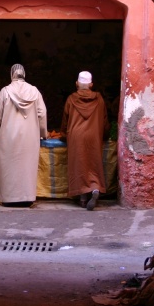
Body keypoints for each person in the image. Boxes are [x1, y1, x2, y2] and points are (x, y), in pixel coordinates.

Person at [0, 64, 48, 207]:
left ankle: (8, 198)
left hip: (8, 137)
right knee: (27, 168)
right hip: (30, 138)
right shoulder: (35, 92)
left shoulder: (5, 92)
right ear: (24, 74)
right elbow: (42, 114)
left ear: (12, 75)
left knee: (8, 167)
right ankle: (27, 197)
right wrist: (43, 133)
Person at [60, 71, 110, 210]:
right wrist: (105, 135)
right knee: (93, 163)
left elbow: (65, 120)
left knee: (79, 164)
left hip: (76, 136)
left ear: (77, 84)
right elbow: (105, 120)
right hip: (94, 135)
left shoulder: (71, 99)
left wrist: (63, 134)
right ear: (91, 85)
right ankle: (94, 187)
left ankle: (82, 197)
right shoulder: (99, 99)